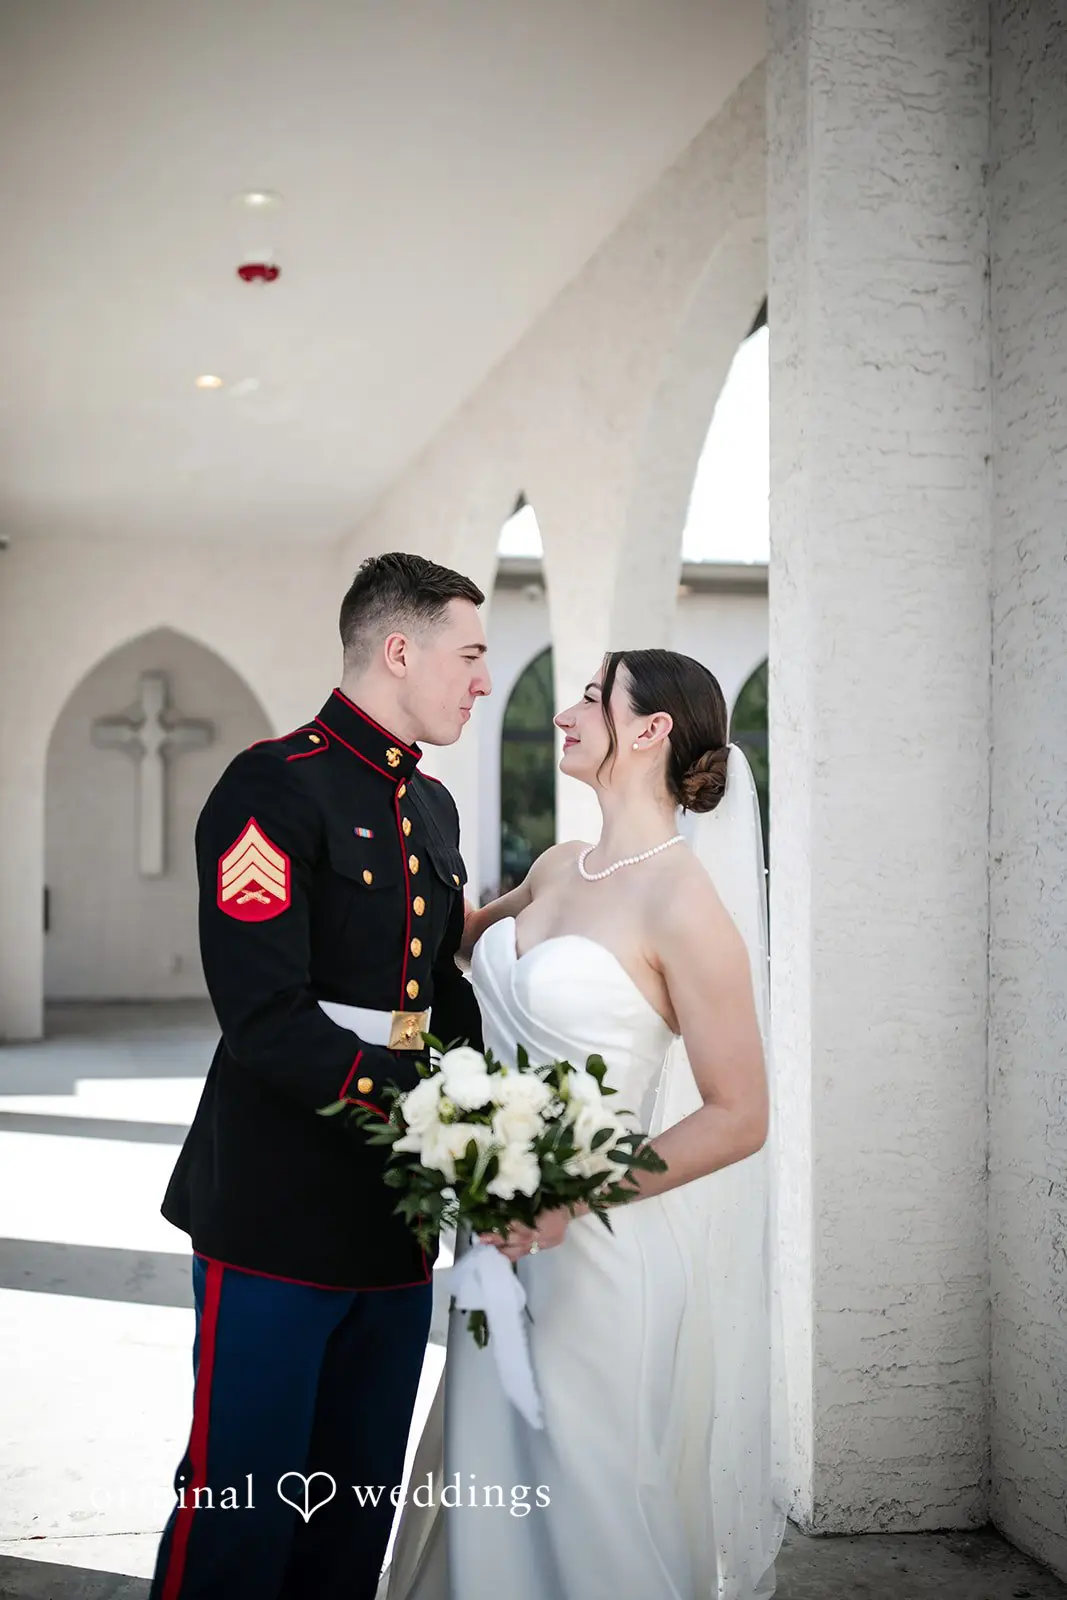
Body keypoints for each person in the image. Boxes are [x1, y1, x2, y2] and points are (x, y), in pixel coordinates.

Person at [384, 648, 786, 1600]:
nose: (566, 711)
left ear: (649, 731)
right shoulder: (558, 866)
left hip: (602, 1251)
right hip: (492, 1239)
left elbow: (740, 1116)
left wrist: (568, 1196)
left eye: (593, 698)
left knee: (588, 1511)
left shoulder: (686, 904)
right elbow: (447, 968)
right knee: (489, 1491)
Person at [149, 552, 492, 1600]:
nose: (483, 679)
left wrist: (490, 1118)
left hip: (391, 1225)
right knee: (240, 1515)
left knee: (351, 1516)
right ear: (400, 648)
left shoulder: (430, 808)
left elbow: (441, 994)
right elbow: (263, 1017)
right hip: (276, 1206)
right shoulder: (272, 785)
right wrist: (419, 1113)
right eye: (470, 653)